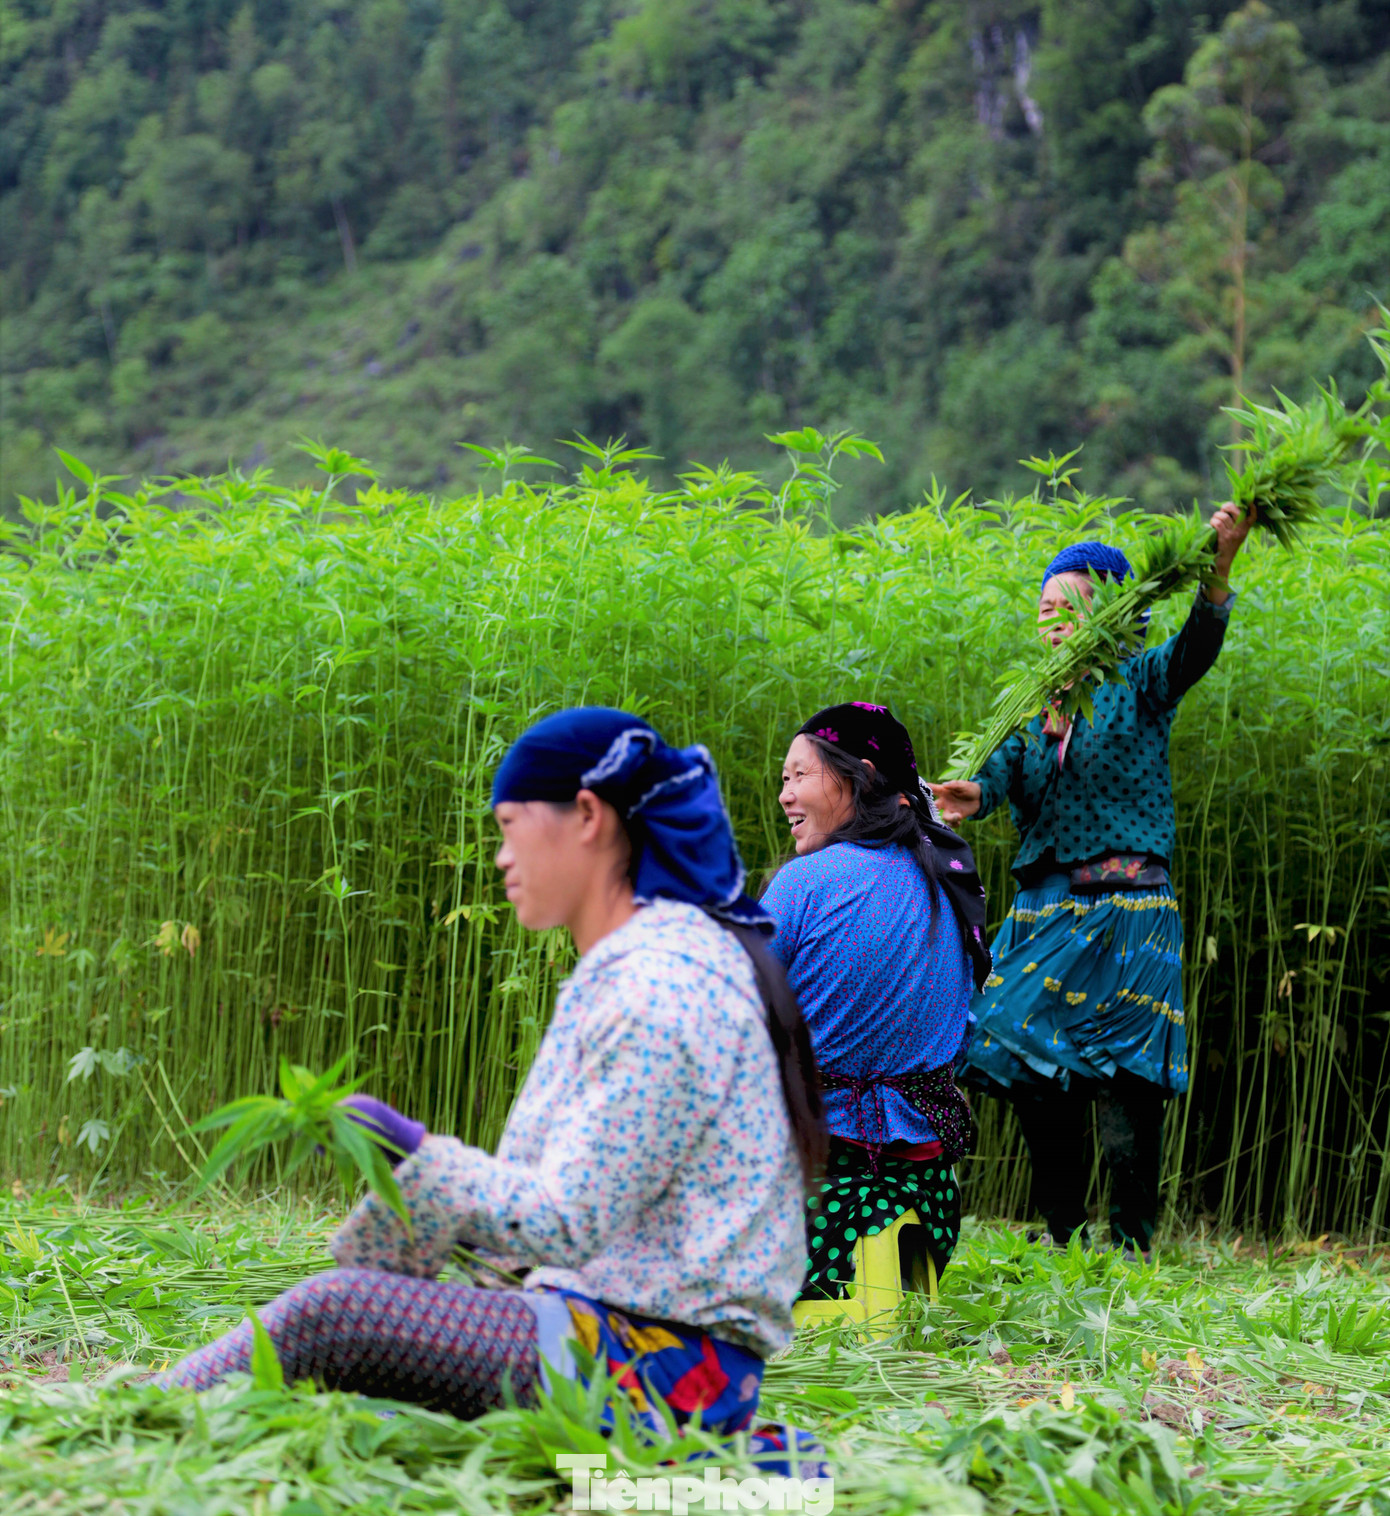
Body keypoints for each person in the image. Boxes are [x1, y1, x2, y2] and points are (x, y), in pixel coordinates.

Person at [159, 708, 827, 1466]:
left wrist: (414, 1151)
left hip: (653, 1366)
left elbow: (568, 1221)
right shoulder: (641, 965)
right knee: (359, 1365)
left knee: (329, 1317)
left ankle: (142, 1412)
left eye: (510, 827)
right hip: (608, 1334)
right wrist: (418, 1232)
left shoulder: (662, 990)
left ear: (586, 816)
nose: (503, 858)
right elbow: (534, 1225)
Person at [931, 505, 1252, 1261]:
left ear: (1107, 614)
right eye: (1041, 606)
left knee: (1129, 1081)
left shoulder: (1139, 683)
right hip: (1046, 914)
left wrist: (1218, 571)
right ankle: (1065, 1234)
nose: (1047, 617)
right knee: (1015, 1055)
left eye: (1064, 604)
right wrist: (967, 795)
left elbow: (1194, 651)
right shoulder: (1031, 707)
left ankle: (1134, 1244)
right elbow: (998, 780)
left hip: (1130, 909)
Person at [760, 701, 992, 1300]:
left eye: (799, 775)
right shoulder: (954, 886)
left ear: (859, 778)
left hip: (813, 1209)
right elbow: (962, 1029)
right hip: (930, 1206)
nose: (785, 794)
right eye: (783, 779)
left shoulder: (802, 884)